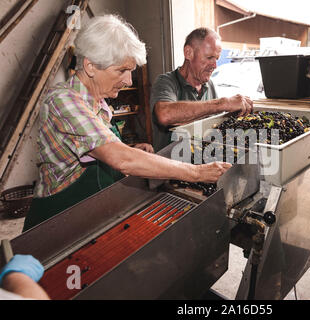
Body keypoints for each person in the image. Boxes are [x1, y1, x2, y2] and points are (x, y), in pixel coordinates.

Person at [23, 16, 231, 231]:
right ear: (90, 66)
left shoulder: (99, 104)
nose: (129, 81)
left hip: (90, 213)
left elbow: (98, 150)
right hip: (56, 223)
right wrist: (196, 173)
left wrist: (131, 149)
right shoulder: (63, 101)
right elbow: (120, 159)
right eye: (121, 70)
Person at [150, 27, 254, 152]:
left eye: (216, 59)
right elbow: (165, 115)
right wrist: (223, 103)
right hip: (170, 165)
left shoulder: (210, 86)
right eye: (209, 57)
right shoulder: (166, 82)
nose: (214, 65)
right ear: (188, 53)